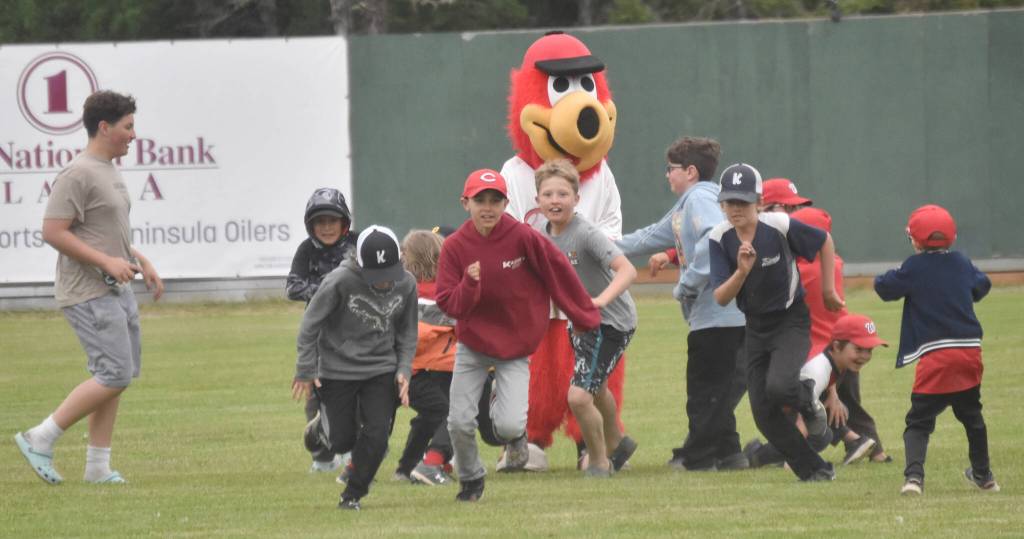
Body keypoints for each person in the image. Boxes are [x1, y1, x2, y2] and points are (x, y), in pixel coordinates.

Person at [14, 90, 164, 486]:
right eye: (128, 126)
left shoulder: (108, 169)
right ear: (104, 127)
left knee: (116, 377)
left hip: (116, 288)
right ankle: (40, 437)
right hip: (88, 291)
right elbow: (53, 231)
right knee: (113, 374)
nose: (134, 135)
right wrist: (105, 263)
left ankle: (97, 467)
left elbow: (102, 232)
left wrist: (139, 260)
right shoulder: (77, 173)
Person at [436, 169, 600, 502]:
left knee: (509, 427)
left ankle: (507, 419)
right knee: (459, 422)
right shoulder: (454, 247)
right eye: (480, 200)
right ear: (465, 203)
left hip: (515, 347)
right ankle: (471, 479)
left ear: (505, 203)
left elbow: (558, 272)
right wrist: (469, 285)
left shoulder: (523, 237)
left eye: (495, 200)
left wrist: (583, 316)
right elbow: (449, 303)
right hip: (473, 346)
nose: (488, 207)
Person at [616, 137, 748, 471]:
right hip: (713, 318)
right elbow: (649, 236)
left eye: (670, 169)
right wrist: (603, 246)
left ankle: (697, 457)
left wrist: (686, 285)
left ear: (690, 171)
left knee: (703, 391)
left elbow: (715, 237)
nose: (667, 175)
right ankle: (730, 454)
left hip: (719, 317)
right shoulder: (688, 204)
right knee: (715, 388)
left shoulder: (701, 197)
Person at [709, 162, 844, 482]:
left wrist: (828, 290)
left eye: (743, 201)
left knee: (779, 386)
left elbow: (824, 241)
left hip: (790, 321)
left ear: (759, 202)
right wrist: (741, 272)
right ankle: (815, 470)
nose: (735, 209)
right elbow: (721, 297)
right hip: (755, 327)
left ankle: (809, 404)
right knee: (763, 414)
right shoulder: (719, 237)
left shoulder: (780, 225)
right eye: (729, 202)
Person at [874, 204, 999, 495]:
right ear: (952, 236)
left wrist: (889, 275)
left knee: (918, 421)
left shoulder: (913, 267)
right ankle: (984, 476)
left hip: (936, 356)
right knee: (972, 417)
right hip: (969, 352)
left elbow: (885, 288)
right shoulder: (962, 263)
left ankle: (913, 479)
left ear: (915, 240)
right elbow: (983, 285)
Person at [293, 225, 417, 511]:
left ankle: (352, 494)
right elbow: (310, 325)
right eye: (376, 275)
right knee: (342, 441)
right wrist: (306, 369)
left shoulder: (407, 283)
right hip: (337, 369)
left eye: (389, 273)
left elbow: (408, 331)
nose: (384, 282)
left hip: (381, 368)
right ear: (359, 264)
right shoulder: (339, 280)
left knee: (377, 436)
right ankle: (320, 429)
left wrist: (404, 369)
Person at [535, 160, 638, 477]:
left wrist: (600, 301)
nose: (555, 200)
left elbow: (628, 270)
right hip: (580, 323)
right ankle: (618, 443)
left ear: (577, 199)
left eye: (563, 194)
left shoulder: (586, 234)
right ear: (537, 200)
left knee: (579, 397)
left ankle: (598, 460)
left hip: (611, 323)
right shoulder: (540, 235)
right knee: (598, 387)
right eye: (548, 194)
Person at [786, 207, 888, 464]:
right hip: (845, 343)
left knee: (800, 403)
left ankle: (851, 441)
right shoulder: (833, 263)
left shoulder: (801, 271)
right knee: (849, 404)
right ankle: (872, 449)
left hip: (824, 351)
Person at [745, 314, 886, 468]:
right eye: (858, 349)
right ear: (837, 346)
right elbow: (801, 417)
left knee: (822, 430)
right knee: (820, 436)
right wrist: (797, 461)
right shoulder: (818, 371)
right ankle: (757, 456)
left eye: (869, 350)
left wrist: (833, 395)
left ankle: (759, 455)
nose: (865, 356)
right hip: (773, 405)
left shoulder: (834, 360)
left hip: (787, 400)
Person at [286, 187, 356, 473]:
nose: (326, 227)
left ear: (344, 222)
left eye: (332, 221)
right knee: (315, 395)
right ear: (311, 225)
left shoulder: (358, 245)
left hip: (356, 332)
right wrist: (330, 289)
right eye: (320, 222)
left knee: (356, 391)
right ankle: (322, 455)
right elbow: (293, 287)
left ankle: (353, 450)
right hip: (319, 334)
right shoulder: (306, 250)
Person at [393, 229, 458, 486]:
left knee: (428, 417)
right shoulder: (445, 293)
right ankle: (433, 461)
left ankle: (406, 467)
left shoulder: (399, 291)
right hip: (425, 371)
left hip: (398, 370)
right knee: (454, 412)